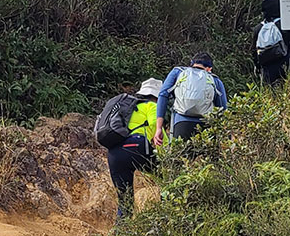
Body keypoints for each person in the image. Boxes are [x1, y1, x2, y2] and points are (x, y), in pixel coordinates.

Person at [95, 78, 161, 218]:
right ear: (157, 96)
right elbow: (155, 124)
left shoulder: (128, 108)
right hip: (137, 145)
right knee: (167, 176)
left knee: (125, 200)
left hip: (115, 153)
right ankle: (170, 216)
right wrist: (166, 152)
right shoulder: (152, 106)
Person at [153, 53, 228, 144]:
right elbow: (222, 108)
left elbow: (163, 95)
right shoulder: (214, 80)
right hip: (205, 127)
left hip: (181, 124)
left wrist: (159, 128)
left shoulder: (178, 72)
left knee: (180, 157)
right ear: (209, 69)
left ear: (191, 64)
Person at [252, 0, 290, 86]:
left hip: (268, 69)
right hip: (287, 65)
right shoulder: (286, 25)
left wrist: (258, 66)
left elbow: (254, 51)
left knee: (271, 95)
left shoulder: (258, 28)